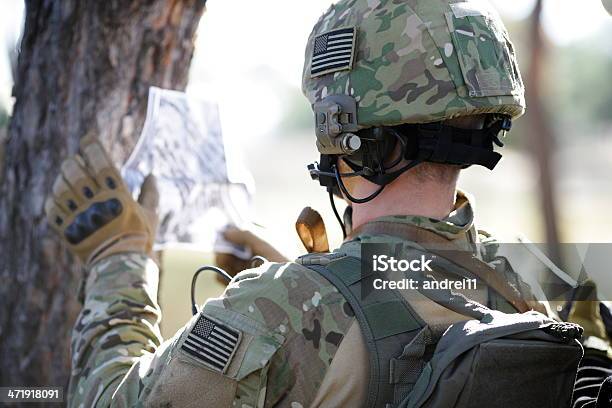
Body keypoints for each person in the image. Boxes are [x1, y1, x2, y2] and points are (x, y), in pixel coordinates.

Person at [45, 1, 582, 406]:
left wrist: (116, 259)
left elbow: (107, 397)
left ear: (342, 129)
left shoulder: (277, 309)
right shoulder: (519, 286)